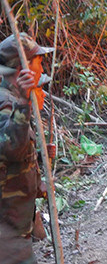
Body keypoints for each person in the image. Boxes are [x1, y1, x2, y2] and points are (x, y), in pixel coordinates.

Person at [0, 33, 55, 264]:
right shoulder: (7, 103)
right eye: (38, 62)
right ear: (23, 69)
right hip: (6, 222)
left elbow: (19, 154)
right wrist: (24, 104)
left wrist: (40, 164)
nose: (42, 67)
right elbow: (9, 148)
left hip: (16, 219)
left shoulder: (14, 99)